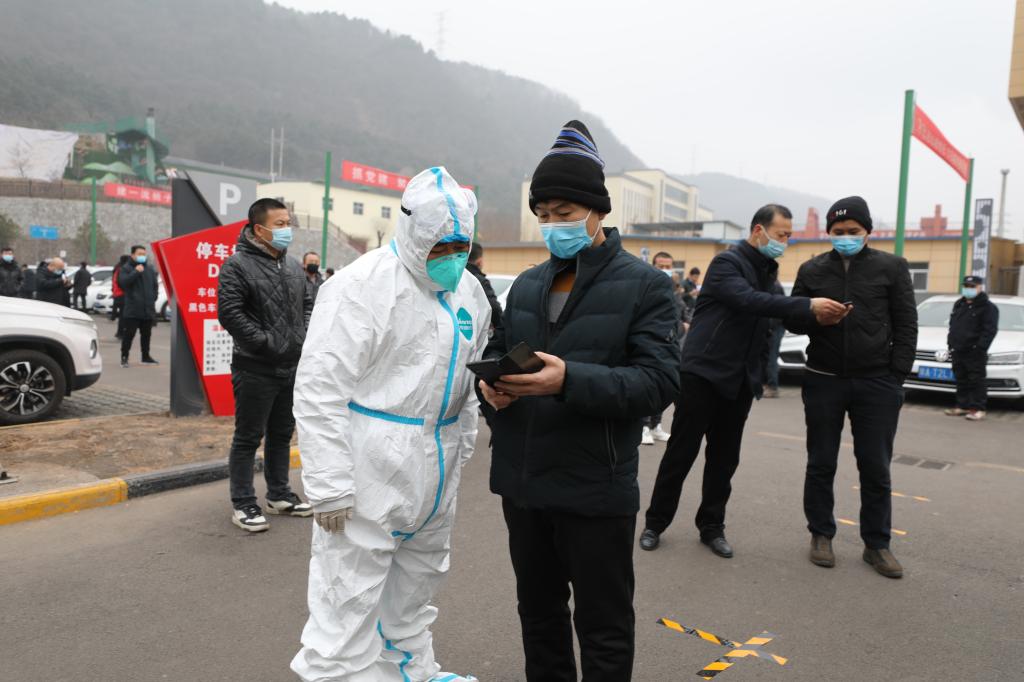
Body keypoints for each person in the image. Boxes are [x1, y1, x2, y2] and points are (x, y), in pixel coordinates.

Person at [481, 121, 681, 680]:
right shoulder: (527, 284)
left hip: (595, 487)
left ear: (597, 211)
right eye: (543, 213)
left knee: (603, 624)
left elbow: (658, 382)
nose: (552, 224)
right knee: (538, 614)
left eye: (564, 212)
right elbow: (500, 350)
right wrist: (489, 389)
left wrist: (568, 380)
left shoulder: (646, 286)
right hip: (524, 484)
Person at [290, 168, 487, 682]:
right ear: (414, 232)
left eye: (461, 246)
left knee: (420, 579)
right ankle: (336, 675)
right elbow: (319, 388)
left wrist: (462, 446)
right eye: (441, 246)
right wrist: (329, 484)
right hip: (371, 459)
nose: (452, 257)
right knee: (349, 589)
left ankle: (409, 670)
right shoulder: (362, 286)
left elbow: (469, 378)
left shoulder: (469, 292)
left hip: (437, 459)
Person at [640, 205, 848, 559]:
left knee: (724, 459)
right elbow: (748, 300)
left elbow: (779, 315)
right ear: (758, 231)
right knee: (681, 453)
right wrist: (807, 305)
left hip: (740, 380)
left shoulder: (769, 272)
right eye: (781, 234)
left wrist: (819, 316)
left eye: (789, 236)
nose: (785, 241)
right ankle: (655, 524)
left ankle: (712, 527)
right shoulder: (727, 263)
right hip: (703, 373)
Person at [787, 196, 918, 579]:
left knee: (875, 466)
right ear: (829, 232)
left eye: (853, 231)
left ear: (867, 232)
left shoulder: (892, 267)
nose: (845, 237)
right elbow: (792, 320)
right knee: (820, 462)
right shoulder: (812, 268)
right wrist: (814, 313)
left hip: (877, 382)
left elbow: (906, 323)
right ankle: (821, 535)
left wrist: (895, 375)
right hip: (823, 379)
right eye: (838, 231)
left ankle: (877, 545)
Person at [217, 199, 314, 532]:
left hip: (291, 366)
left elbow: (307, 305)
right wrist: (266, 343)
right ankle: (243, 503)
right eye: (280, 224)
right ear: (260, 229)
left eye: (289, 223)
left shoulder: (292, 266)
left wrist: (301, 338)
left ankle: (279, 495)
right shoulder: (237, 266)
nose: (287, 229)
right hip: (255, 366)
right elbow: (230, 313)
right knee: (248, 437)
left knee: (281, 434)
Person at [945, 275, 998, 421]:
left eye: (972, 286)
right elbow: (953, 325)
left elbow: (989, 331)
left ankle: (978, 408)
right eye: (966, 286)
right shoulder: (959, 304)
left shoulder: (988, 307)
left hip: (975, 352)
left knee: (976, 380)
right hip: (958, 349)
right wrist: (950, 343)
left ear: (980, 287)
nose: (968, 289)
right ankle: (962, 406)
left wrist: (979, 348)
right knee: (961, 378)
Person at [642, 251, 679, 445]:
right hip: (650, 346)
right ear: (653, 265)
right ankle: (643, 426)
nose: (665, 270)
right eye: (661, 266)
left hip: (670, 345)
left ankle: (656, 425)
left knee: (663, 388)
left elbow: (680, 313)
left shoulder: (674, 289)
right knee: (647, 387)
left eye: (668, 266)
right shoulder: (645, 286)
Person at [118, 246, 159, 368]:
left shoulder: (149, 269)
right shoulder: (126, 268)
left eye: (144, 254)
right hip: (133, 309)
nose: (142, 256)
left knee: (146, 335)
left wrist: (152, 298)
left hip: (147, 309)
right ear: (133, 255)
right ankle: (124, 357)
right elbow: (123, 283)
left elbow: (155, 286)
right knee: (129, 335)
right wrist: (135, 272)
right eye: (139, 254)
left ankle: (145, 356)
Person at [466, 241, 502, 335]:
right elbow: (494, 308)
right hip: (476, 333)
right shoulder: (479, 281)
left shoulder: (454, 278)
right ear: (479, 261)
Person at [762, 278, 787, 398]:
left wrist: (771, 327)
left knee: (771, 357)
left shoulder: (775, 287)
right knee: (768, 357)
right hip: (772, 327)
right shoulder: (772, 285)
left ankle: (773, 387)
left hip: (775, 328)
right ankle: (767, 384)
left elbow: (776, 309)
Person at [110, 254, 129, 338]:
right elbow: (121, 282)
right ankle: (121, 333)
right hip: (122, 294)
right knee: (123, 315)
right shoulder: (122, 269)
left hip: (117, 293)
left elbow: (114, 281)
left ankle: (120, 332)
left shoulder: (117, 268)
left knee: (122, 314)